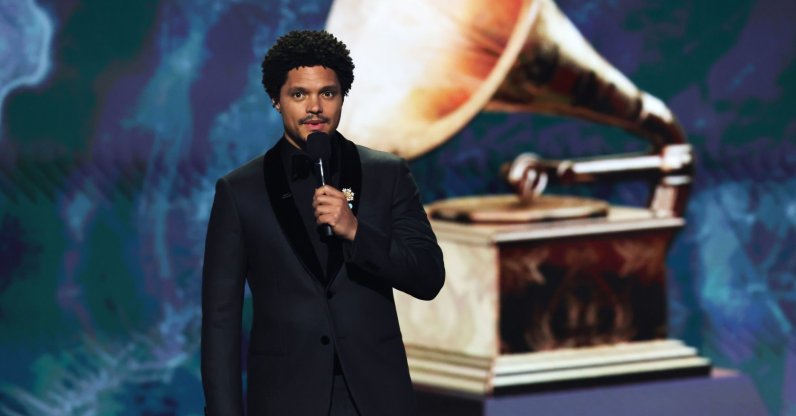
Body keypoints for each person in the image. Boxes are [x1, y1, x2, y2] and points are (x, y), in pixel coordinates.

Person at [201, 30, 445, 416]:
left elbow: (429, 277)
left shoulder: (387, 174)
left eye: (327, 93)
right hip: (286, 398)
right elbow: (220, 322)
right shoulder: (239, 191)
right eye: (299, 94)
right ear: (276, 100)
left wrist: (357, 232)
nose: (314, 107)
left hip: (377, 398)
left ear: (342, 96)